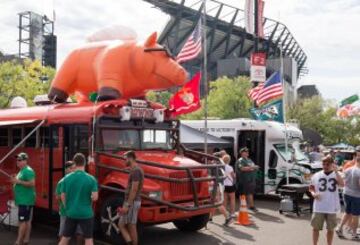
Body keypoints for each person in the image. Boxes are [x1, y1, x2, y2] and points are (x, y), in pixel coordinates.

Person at [59, 153, 98, 245]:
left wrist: (67, 208)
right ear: (85, 163)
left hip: (71, 212)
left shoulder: (66, 179)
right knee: (88, 239)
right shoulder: (91, 179)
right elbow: (95, 197)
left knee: (65, 239)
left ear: (74, 163)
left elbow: (62, 196)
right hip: (86, 213)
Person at [309, 155, 344, 245]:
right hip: (319, 206)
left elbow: (342, 184)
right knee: (315, 228)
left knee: (330, 229)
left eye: (327, 164)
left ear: (332, 164)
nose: (325, 166)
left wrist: (336, 172)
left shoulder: (337, 174)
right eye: (323, 164)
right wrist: (313, 194)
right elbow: (311, 187)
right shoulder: (317, 175)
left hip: (331, 206)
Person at [118, 151, 144, 245]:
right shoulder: (134, 170)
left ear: (131, 158)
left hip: (131, 202)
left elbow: (134, 189)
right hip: (129, 201)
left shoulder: (136, 171)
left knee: (132, 225)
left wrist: (127, 205)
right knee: (122, 224)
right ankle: (129, 242)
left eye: (125, 158)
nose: (124, 160)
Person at [336, 146, 360, 240]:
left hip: (346, 193)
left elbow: (343, 180)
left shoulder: (349, 168)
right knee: (355, 215)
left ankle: (339, 228)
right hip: (356, 195)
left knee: (347, 212)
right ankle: (354, 233)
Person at [11, 152, 36, 245]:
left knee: (22, 222)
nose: (17, 161)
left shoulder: (28, 171)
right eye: (17, 160)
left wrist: (18, 181)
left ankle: (18, 241)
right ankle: (26, 240)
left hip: (25, 201)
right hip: (24, 200)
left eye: (20, 160)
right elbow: (20, 182)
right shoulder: (22, 170)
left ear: (25, 161)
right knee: (27, 221)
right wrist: (15, 180)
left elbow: (32, 183)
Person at [56, 161, 83, 244]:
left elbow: (58, 197)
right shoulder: (62, 182)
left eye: (75, 168)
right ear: (66, 170)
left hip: (72, 211)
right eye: (72, 168)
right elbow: (57, 197)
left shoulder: (77, 181)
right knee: (67, 233)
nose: (74, 170)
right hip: (68, 212)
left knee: (77, 233)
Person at [235, 147, 259, 212]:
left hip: (251, 180)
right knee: (243, 194)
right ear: (241, 154)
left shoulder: (249, 160)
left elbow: (253, 167)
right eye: (244, 152)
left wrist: (255, 167)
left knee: (250, 193)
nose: (246, 153)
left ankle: (251, 206)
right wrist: (252, 167)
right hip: (243, 180)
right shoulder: (240, 160)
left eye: (247, 152)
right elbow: (242, 168)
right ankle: (242, 207)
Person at [223, 154, 236, 218]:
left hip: (224, 185)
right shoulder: (230, 167)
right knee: (232, 199)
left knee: (225, 200)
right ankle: (232, 213)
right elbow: (233, 176)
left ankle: (225, 212)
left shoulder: (221, 167)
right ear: (229, 160)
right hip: (230, 185)